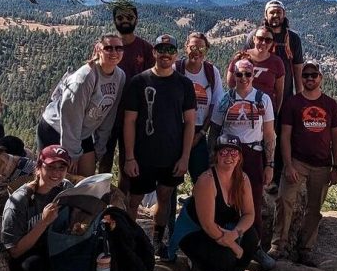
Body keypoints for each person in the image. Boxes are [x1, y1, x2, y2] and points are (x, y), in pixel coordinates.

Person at [122, 34, 196, 254]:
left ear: (176, 54)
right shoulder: (139, 82)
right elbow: (129, 121)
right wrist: (129, 157)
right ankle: (128, 241)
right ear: (154, 52)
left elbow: (190, 122)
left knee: (164, 197)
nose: (165, 53)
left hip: (171, 156)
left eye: (170, 50)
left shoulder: (184, 84)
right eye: (161, 49)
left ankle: (156, 240)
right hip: (142, 155)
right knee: (133, 200)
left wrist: (185, 157)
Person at [268, 61, 337, 265]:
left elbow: (336, 137)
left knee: (314, 208)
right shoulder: (293, 103)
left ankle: (306, 249)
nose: (310, 78)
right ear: (301, 78)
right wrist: (288, 164)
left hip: (323, 164)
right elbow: (285, 136)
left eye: (314, 75)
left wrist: (336, 167)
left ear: (321, 77)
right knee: (284, 200)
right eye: (306, 75)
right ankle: (277, 245)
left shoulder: (330, 104)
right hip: (297, 161)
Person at [169, 134, 258, 271]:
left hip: (222, 228)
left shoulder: (243, 179)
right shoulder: (207, 181)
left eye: (234, 153)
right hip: (195, 232)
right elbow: (208, 226)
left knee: (251, 237)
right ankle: (197, 263)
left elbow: (249, 214)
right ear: (216, 155)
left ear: (239, 157)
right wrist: (235, 246)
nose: (229, 156)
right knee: (224, 260)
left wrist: (235, 234)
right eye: (224, 152)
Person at [209, 59, 276, 271]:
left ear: (253, 75)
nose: (244, 78)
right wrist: (212, 158)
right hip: (228, 153)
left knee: (253, 202)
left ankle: (254, 248)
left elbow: (269, 134)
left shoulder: (263, 99)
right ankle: (223, 241)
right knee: (225, 200)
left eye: (248, 74)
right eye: (239, 74)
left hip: (253, 153)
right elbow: (214, 131)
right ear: (234, 75)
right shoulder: (225, 99)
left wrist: (270, 164)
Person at [38, 34, 126, 177]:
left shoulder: (120, 76)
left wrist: (99, 147)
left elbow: (109, 114)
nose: (114, 52)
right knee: (58, 180)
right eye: (108, 48)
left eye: (119, 48)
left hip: (82, 132)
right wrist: (71, 154)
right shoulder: (84, 78)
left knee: (86, 180)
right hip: (56, 128)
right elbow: (70, 118)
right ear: (98, 49)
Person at [1, 145, 74, 271]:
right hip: (29, 253)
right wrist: (44, 222)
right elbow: (14, 251)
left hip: (55, 246)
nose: (56, 173)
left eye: (62, 168)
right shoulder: (19, 201)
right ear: (39, 167)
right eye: (51, 167)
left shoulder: (65, 188)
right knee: (32, 267)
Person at [245, 0, 304, 191]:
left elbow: (297, 67)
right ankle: (254, 175)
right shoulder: (256, 36)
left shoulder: (292, 39)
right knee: (255, 134)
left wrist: (299, 95)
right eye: (272, 12)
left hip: (283, 96)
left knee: (278, 135)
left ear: (284, 15)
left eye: (279, 12)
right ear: (265, 15)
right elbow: (245, 63)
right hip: (253, 97)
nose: (275, 16)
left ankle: (275, 178)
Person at [99, 0, 156, 178]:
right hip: (106, 113)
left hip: (133, 115)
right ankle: (101, 197)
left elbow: (153, 81)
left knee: (128, 161)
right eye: (120, 17)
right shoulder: (106, 48)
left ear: (136, 19)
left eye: (129, 17)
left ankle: (122, 202)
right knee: (104, 158)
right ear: (114, 20)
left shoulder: (146, 48)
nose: (125, 20)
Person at [172, 32, 224, 182]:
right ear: (186, 47)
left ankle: (199, 205)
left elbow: (215, 105)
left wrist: (201, 133)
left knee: (202, 179)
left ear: (206, 50)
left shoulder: (211, 72)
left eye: (201, 48)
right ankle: (168, 206)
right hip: (176, 130)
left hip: (199, 130)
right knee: (170, 181)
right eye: (193, 47)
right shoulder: (176, 69)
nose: (197, 52)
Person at [228, 25, 285, 115]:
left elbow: (279, 92)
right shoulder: (241, 57)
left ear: (272, 43)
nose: (263, 43)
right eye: (260, 38)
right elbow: (231, 83)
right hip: (241, 109)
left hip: (266, 111)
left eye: (268, 40)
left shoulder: (277, 62)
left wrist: (275, 112)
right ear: (254, 39)